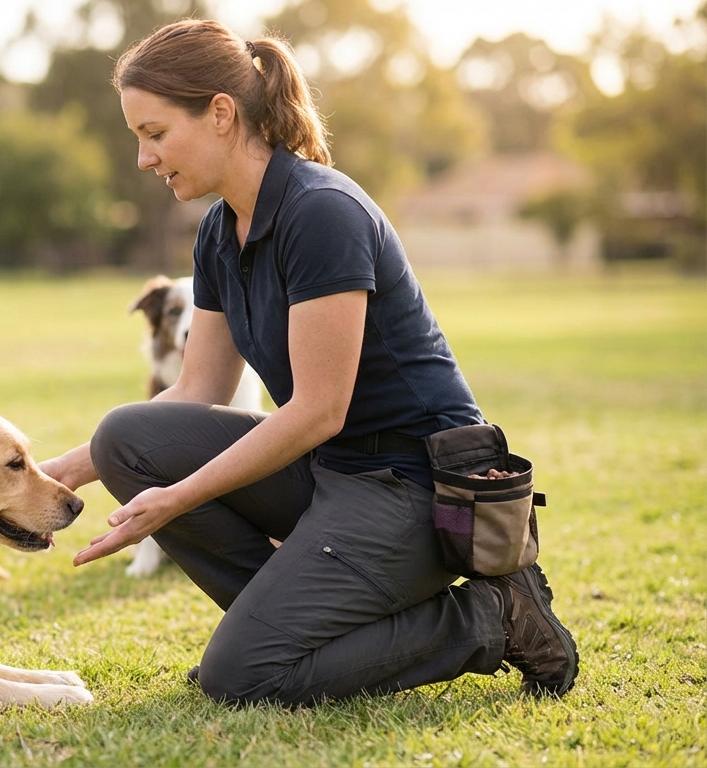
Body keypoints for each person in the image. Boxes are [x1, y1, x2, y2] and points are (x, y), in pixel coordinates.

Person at [38, 19, 578, 706]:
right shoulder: (217, 231)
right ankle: (288, 628)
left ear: (222, 114)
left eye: (154, 133)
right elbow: (200, 387)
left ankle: (494, 618)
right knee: (126, 437)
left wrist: (174, 501)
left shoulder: (321, 212)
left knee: (243, 677)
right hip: (333, 474)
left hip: (415, 488)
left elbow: (319, 410)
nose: (144, 159)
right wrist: (57, 472)